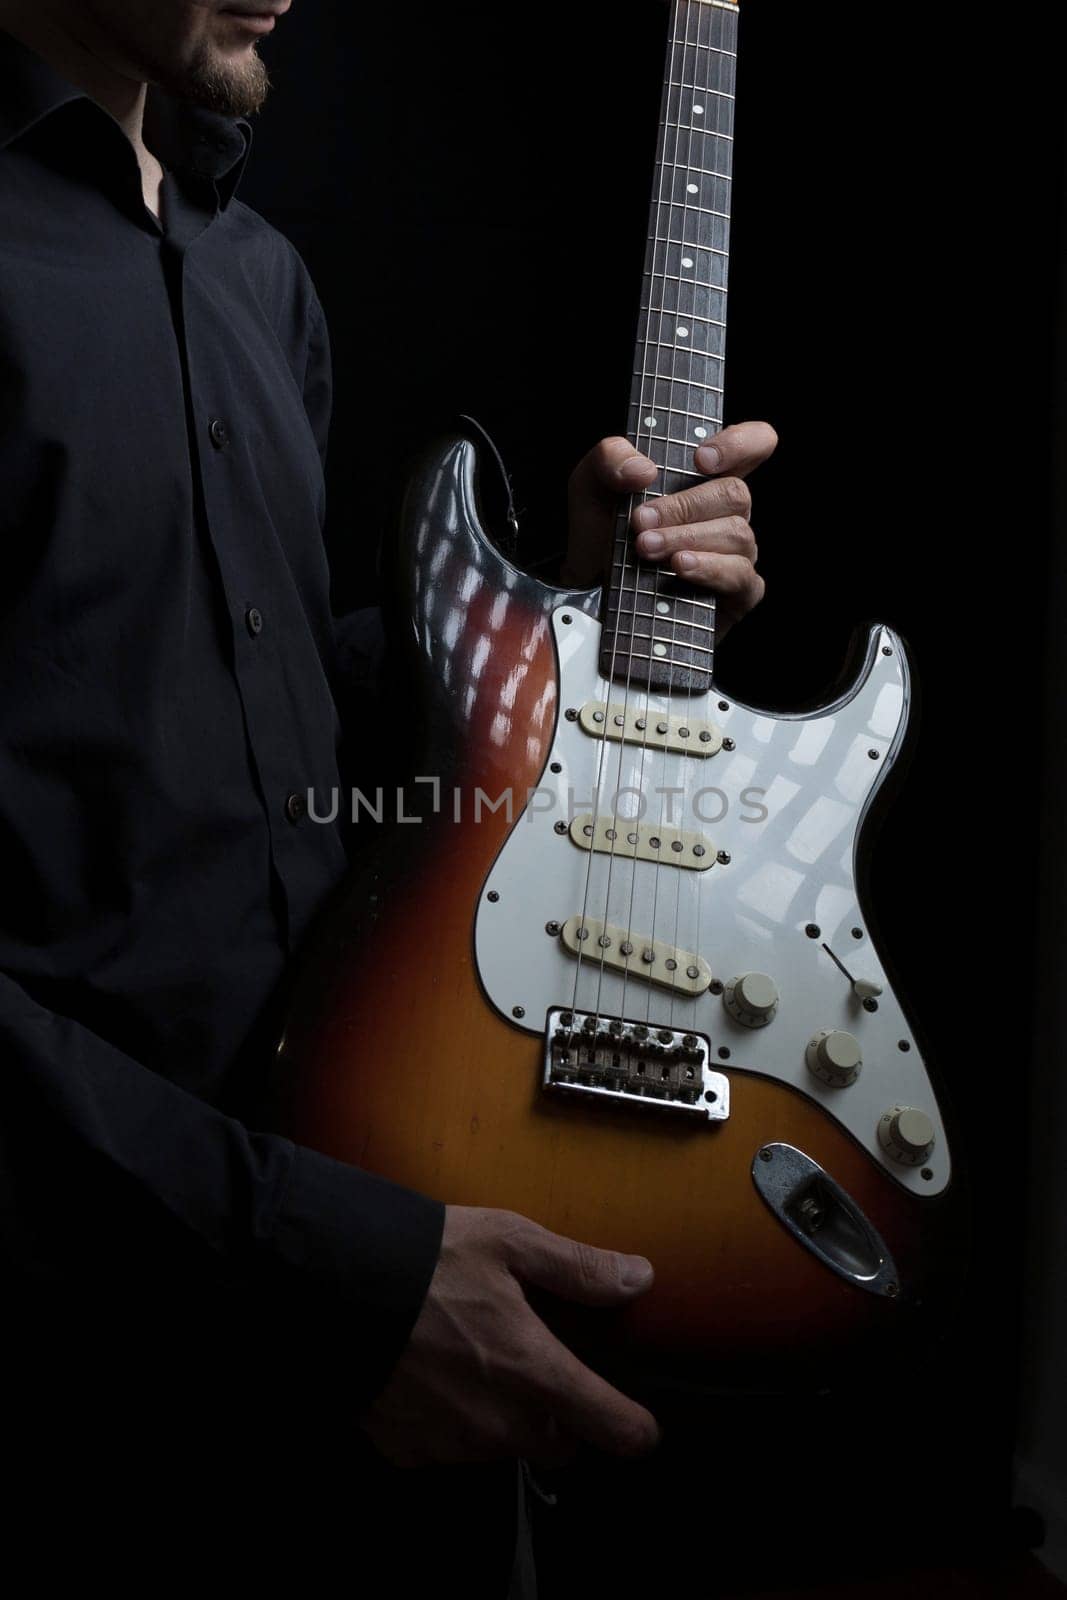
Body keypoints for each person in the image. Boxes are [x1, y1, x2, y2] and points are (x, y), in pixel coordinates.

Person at [0, 0, 775, 1590]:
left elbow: (275, 751)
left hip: (371, 1291)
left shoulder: (255, 277)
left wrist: (562, 601)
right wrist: (310, 1267)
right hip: (89, 1331)